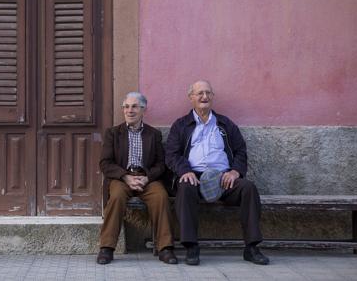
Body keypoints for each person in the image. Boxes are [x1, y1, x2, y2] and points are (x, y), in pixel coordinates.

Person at [165, 80, 269, 265]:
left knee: (248, 188)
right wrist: (185, 171)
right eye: (200, 93)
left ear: (212, 97)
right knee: (185, 187)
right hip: (194, 176)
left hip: (223, 177)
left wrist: (236, 171)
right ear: (191, 98)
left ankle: (251, 247)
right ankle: (191, 246)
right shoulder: (181, 125)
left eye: (208, 93)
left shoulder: (225, 123)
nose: (204, 97)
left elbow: (240, 151)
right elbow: (172, 154)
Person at [97, 92, 177, 265]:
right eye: (126, 106)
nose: (129, 110)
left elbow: (161, 164)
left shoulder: (153, 134)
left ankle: (165, 248)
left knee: (161, 197)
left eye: (134, 106)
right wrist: (125, 177)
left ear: (143, 110)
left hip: (146, 178)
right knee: (117, 197)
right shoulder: (113, 133)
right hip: (122, 178)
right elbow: (105, 163)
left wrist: (147, 178)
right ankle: (106, 248)